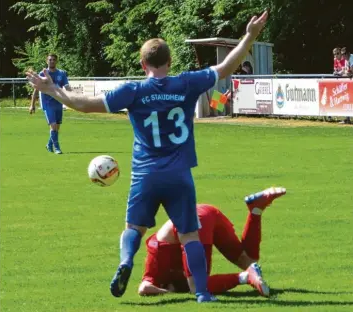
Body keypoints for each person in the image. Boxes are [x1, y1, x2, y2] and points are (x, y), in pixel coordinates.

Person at [26, 10, 268, 303]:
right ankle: (203, 294)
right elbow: (228, 65)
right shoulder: (186, 83)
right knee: (190, 234)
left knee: (134, 229)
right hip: (179, 174)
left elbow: (85, 104)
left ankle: (127, 262)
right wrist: (250, 35)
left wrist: (52, 89)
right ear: (170, 62)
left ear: (143, 64)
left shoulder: (134, 91)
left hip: (146, 175)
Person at [138, 187, 286, 297]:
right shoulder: (168, 270)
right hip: (207, 212)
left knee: (197, 287)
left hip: (194, 224)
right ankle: (256, 210)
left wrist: (168, 293)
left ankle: (245, 277)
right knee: (248, 260)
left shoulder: (155, 266)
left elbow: (143, 288)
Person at [29, 54, 72, 154]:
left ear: (56, 61)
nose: (52, 61)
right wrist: (32, 104)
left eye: (53, 60)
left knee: (57, 127)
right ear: (46, 61)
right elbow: (36, 89)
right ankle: (57, 148)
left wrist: (76, 97)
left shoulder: (62, 73)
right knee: (53, 125)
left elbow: (67, 88)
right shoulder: (43, 73)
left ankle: (49, 144)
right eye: (50, 60)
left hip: (58, 102)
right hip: (47, 103)